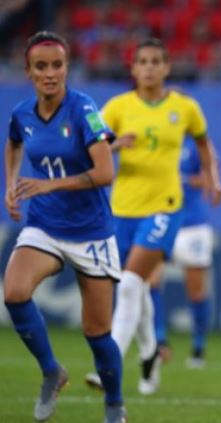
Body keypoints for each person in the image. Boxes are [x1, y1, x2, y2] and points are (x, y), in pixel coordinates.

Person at [84, 37, 221, 395]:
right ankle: (149, 353)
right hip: (122, 210)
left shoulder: (184, 108)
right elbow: (88, 148)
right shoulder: (118, 107)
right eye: (141, 61)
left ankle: (108, 364)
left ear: (166, 67)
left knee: (130, 284)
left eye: (154, 61)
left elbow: (205, 144)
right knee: (137, 287)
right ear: (133, 68)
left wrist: (212, 179)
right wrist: (114, 145)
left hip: (165, 206)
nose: (147, 67)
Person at [4, 31, 126, 423]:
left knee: (97, 332)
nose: (50, 73)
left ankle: (114, 407)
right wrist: (11, 185)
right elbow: (13, 143)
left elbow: (105, 171)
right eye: (41, 67)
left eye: (57, 65)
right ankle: (51, 371)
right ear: (29, 72)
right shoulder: (22, 114)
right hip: (44, 224)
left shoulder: (84, 110)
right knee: (15, 292)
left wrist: (45, 184)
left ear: (67, 68)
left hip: (91, 231)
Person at [150, 135, 217, 369]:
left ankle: (198, 345)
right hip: (162, 219)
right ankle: (159, 342)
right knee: (152, 281)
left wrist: (185, 180)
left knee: (196, 291)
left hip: (193, 225)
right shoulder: (157, 138)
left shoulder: (197, 143)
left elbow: (209, 178)